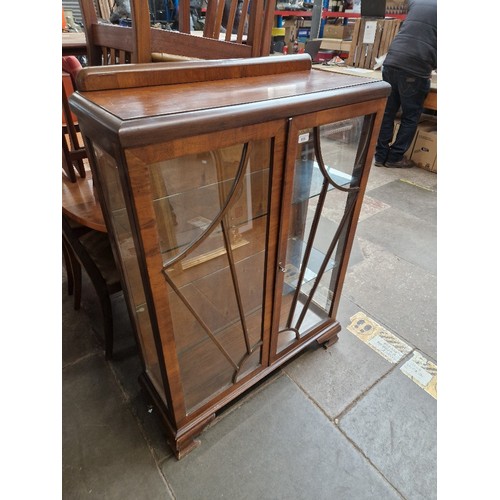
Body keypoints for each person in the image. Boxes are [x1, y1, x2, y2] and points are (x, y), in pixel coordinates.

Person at [374, 0, 437, 168]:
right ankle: (395, 157)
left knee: (388, 112)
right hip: (414, 68)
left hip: (391, 61)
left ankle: (380, 156)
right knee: (410, 116)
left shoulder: (418, 2)